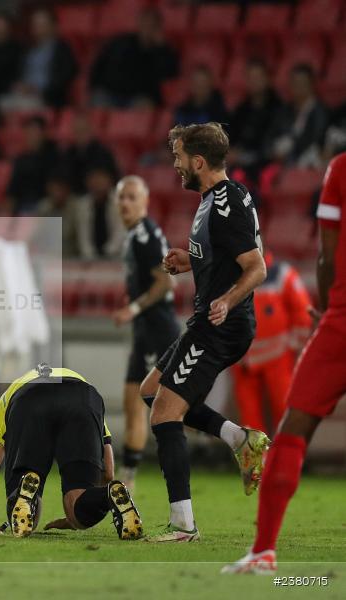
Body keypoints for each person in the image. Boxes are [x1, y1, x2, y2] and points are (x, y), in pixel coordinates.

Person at [143, 123, 269, 542]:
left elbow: (256, 267)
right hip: (209, 321)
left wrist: (226, 300)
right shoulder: (214, 199)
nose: (175, 164)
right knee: (151, 391)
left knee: (164, 413)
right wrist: (189, 262)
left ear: (198, 161)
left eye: (179, 157)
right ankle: (239, 438)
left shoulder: (225, 204)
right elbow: (223, 257)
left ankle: (183, 526)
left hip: (219, 325)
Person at [223, 152, 346, 574]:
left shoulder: (341, 170)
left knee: (291, 431)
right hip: (266, 356)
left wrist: (330, 312)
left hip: (339, 325)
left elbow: (327, 258)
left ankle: (263, 551)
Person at [0, 363, 143, 541]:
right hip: (82, 396)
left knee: (26, 503)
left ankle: (25, 493)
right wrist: (76, 518)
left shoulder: (7, 397)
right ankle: (107, 495)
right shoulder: (82, 386)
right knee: (78, 500)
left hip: (28, 400)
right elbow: (108, 470)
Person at [111, 176, 178, 491]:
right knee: (132, 402)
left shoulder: (145, 236)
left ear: (145, 201)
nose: (125, 203)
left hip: (157, 328)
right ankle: (127, 478)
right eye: (121, 197)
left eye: (131, 197)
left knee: (164, 409)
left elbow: (166, 282)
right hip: (145, 329)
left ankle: (231, 435)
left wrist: (133, 309)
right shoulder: (136, 235)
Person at [229, 251, 312, 434]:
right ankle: (255, 461)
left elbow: (302, 313)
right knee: (248, 417)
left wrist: (294, 346)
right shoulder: (229, 276)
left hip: (278, 357)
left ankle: (288, 457)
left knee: (285, 410)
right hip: (243, 360)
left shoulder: (282, 275)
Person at [88, 7, 178, 108]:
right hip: (111, 93)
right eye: (144, 23)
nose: (147, 28)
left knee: (145, 106)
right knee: (98, 101)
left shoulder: (163, 50)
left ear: (158, 27)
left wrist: (162, 48)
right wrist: (94, 87)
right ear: (138, 24)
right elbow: (99, 65)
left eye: (151, 25)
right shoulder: (120, 43)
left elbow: (170, 73)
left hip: (139, 97)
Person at [266, 65, 329, 168]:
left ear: (312, 84)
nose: (298, 86)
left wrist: (291, 150)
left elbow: (315, 140)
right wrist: (273, 150)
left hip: (304, 161)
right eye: (295, 83)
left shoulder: (320, 112)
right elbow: (271, 133)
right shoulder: (285, 110)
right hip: (280, 160)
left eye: (302, 83)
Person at [6, 115, 60, 215]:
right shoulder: (21, 160)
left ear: (43, 133)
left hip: (46, 205)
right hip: (23, 207)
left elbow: (57, 187)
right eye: (28, 132)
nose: (31, 136)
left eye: (35, 132)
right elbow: (12, 192)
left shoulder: (54, 156)